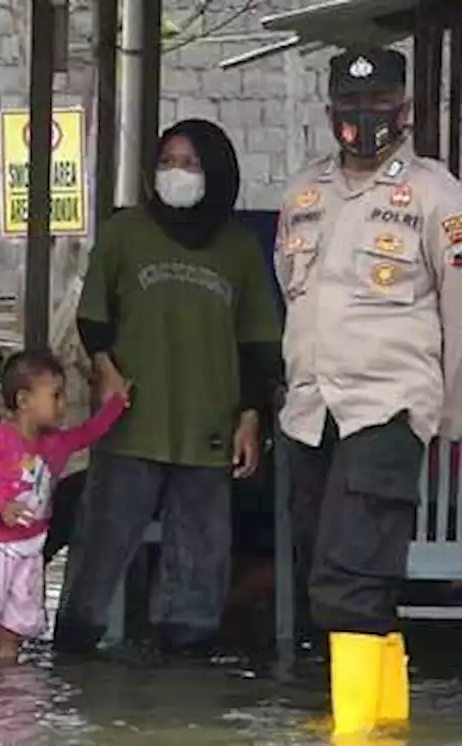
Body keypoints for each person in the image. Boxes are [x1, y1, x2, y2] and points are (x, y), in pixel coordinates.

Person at [275, 47, 462, 739]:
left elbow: (459, 306)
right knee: (349, 576)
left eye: (378, 107)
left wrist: (449, 416)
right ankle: (381, 723)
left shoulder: (438, 196)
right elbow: (293, 295)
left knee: (346, 581)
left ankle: (352, 735)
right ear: (329, 113)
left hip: (386, 406)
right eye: (349, 108)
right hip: (311, 412)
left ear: (404, 113)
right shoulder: (303, 196)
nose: (362, 121)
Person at [55, 118, 282, 656]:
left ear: (217, 173)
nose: (175, 174)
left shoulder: (239, 249)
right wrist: (105, 369)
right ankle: (73, 650)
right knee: (100, 543)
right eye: (168, 162)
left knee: (201, 555)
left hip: (208, 425)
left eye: (190, 164)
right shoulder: (125, 233)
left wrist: (249, 417)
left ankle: (185, 666)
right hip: (132, 422)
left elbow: (257, 343)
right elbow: (94, 318)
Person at [0, 348, 128, 664]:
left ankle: (6, 699)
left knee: (12, 634)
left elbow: (90, 432)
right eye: (56, 396)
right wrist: (0, 508)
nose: (63, 405)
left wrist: (117, 404)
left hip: (30, 549)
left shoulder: (56, 443)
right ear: (23, 401)